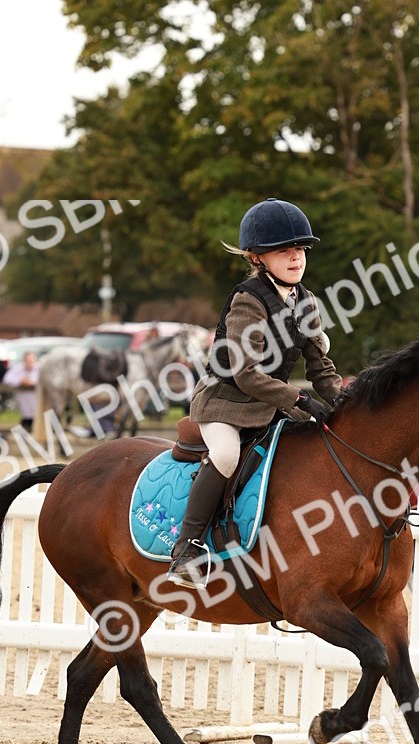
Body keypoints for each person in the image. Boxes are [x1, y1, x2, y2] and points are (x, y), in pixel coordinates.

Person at [167, 197, 342, 587]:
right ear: (257, 257)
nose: (296, 257)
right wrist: (298, 400)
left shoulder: (306, 300)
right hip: (224, 402)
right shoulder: (248, 300)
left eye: (300, 249)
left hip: (269, 403)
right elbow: (245, 376)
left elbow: (320, 367)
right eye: (284, 250)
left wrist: (342, 398)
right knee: (227, 455)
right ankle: (187, 547)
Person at [2, 351, 40, 433]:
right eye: (28, 361)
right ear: (24, 361)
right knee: (26, 416)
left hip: (36, 398)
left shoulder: (40, 369)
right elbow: (7, 379)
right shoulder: (18, 368)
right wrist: (20, 381)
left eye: (32, 361)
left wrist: (33, 382)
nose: (30, 363)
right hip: (23, 398)